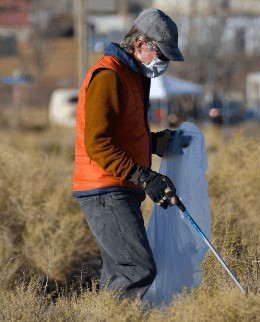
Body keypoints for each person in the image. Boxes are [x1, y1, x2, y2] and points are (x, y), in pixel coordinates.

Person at [73, 8, 186, 300]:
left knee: (118, 276)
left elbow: (124, 134)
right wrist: (145, 176)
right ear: (140, 44)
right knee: (138, 270)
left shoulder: (133, 75)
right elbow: (97, 143)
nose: (163, 63)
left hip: (120, 188)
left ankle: (103, 315)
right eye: (161, 54)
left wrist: (157, 144)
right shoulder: (109, 74)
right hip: (105, 190)